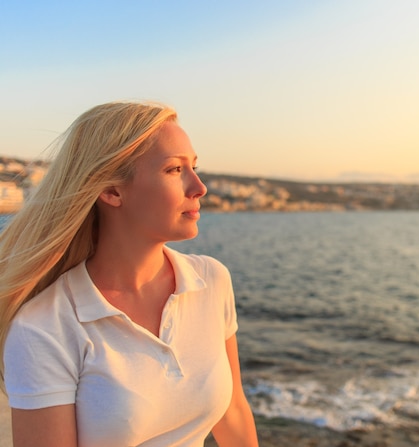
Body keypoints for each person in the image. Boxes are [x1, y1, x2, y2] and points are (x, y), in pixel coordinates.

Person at [0, 101, 259, 447]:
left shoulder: (211, 280)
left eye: (194, 167)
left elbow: (233, 414)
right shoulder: (44, 327)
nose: (199, 187)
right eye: (174, 170)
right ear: (111, 191)